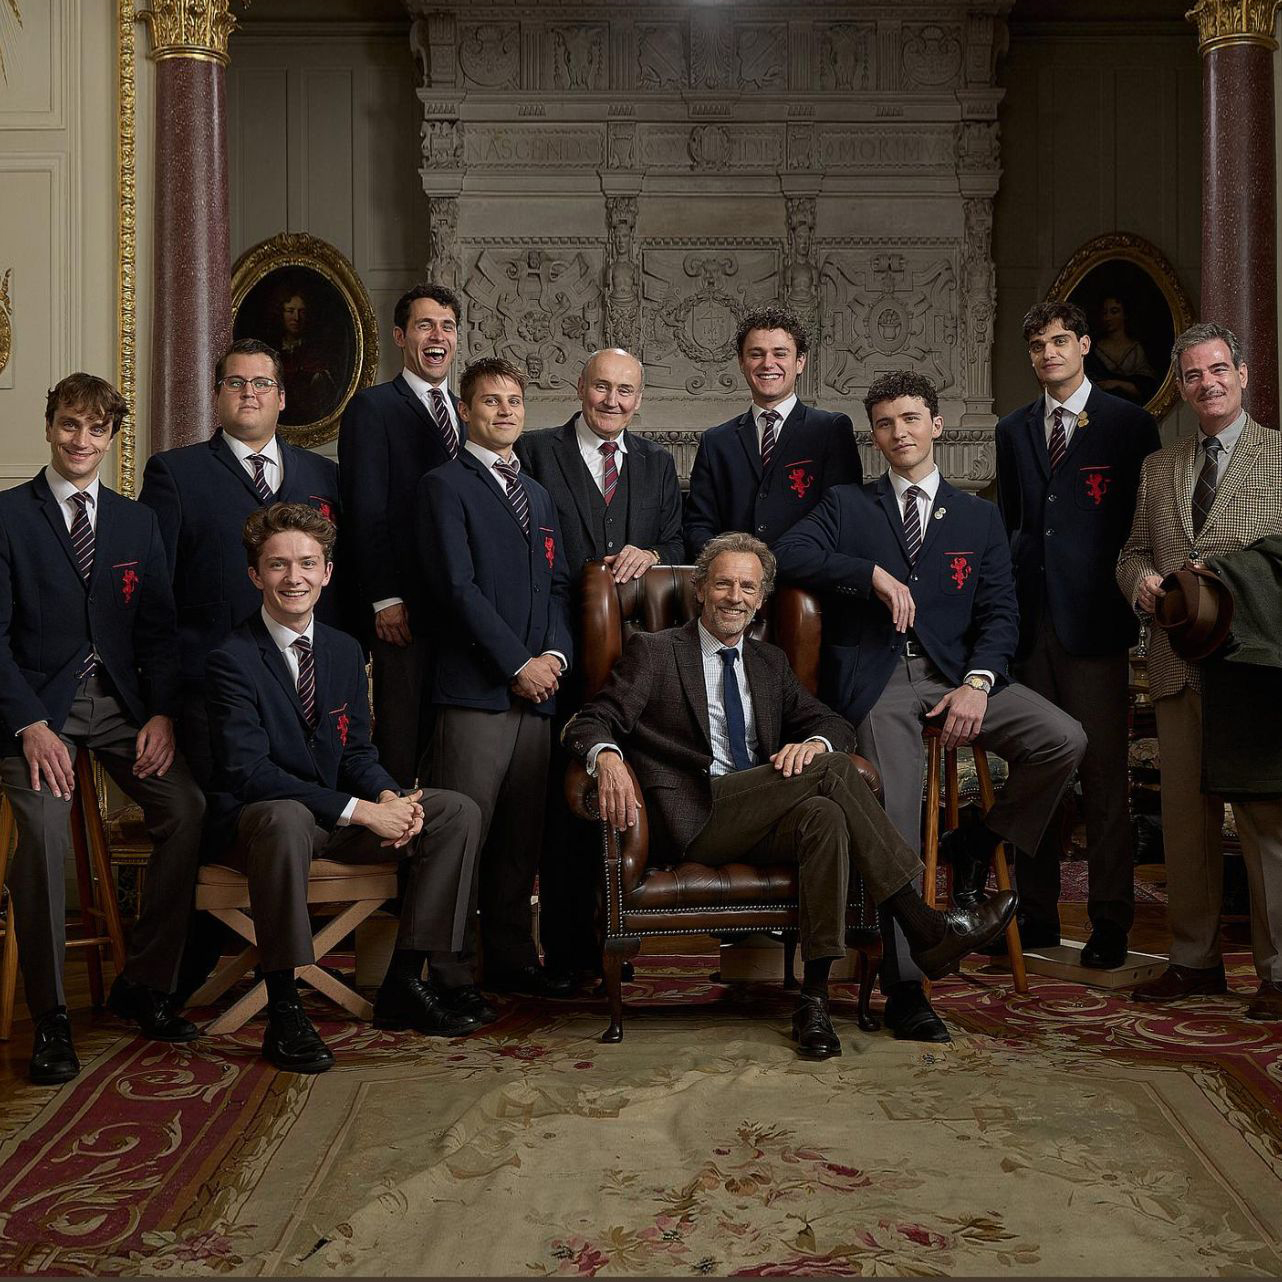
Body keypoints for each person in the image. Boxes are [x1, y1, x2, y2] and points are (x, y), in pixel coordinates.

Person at [562, 532, 1017, 1059]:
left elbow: (831, 723)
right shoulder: (657, 652)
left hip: (757, 816)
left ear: (760, 600)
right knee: (832, 776)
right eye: (724, 584)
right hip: (693, 816)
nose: (736, 596)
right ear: (702, 592)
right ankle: (921, 921)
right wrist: (608, 757)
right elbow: (591, 719)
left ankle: (814, 998)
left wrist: (813, 743)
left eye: (748, 587)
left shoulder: (769, 662)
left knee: (823, 811)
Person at [775, 370, 1086, 1043]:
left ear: (936, 425)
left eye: (910, 419)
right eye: (885, 423)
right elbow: (786, 552)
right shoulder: (847, 505)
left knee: (1064, 739)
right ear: (874, 434)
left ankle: (979, 839)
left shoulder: (977, 517)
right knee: (892, 810)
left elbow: (1001, 613)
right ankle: (908, 984)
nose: (899, 433)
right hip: (881, 682)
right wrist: (870, 574)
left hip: (957, 678)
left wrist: (977, 682)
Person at [204, 503, 484, 1073]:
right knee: (281, 817)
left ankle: (406, 979)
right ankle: (284, 1006)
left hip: (337, 819)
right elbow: (249, 773)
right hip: (262, 827)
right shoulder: (229, 659)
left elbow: (356, 750)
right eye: (278, 565)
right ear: (256, 575)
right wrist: (362, 812)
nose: (294, 577)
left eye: (307, 564)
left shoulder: (343, 649)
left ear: (327, 572)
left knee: (454, 810)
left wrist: (388, 797)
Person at [0, 374, 205, 1084]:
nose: (80, 441)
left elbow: (157, 632)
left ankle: (143, 985)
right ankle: (52, 1016)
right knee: (47, 836)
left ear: (112, 437)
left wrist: (161, 713)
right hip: (32, 711)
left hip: (119, 705)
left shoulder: (134, 522)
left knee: (187, 807)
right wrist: (28, 723)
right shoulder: (7, 516)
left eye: (95, 429)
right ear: (48, 425)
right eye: (68, 425)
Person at [1117, 321, 1282, 1018]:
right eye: (1192, 375)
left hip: (1255, 673)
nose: (1207, 384)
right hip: (1177, 665)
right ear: (1180, 387)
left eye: (1218, 370)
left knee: (1266, 823)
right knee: (1186, 822)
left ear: (1242, 375)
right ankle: (1193, 962)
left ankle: (1278, 974)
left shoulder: (1280, 459)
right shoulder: (1161, 467)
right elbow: (1127, 553)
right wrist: (1144, 582)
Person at [995, 301, 1161, 965]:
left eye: (1060, 342)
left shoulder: (1129, 425)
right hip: (1031, 627)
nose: (1048, 355)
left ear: (1085, 345)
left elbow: (1142, 528)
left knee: (1102, 780)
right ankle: (1032, 916)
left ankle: (1111, 922)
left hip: (1095, 626)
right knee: (1035, 774)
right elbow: (1013, 526)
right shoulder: (1013, 430)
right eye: (1037, 346)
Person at [516, 347, 683, 983]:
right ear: (579, 389)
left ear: (639, 399)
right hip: (554, 649)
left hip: (632, 660)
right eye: (601, 388)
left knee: (625, 801)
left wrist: (654, 551)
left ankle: (617, 942)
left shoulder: (657, 463)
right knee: (562, 807)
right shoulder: (536, 452)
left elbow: (679, 544)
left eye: (626, 391)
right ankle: (565, 954)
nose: (613, 401)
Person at [416, 357, 574, 1025]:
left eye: (513, 401)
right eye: (490, 402)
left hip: (537, 696)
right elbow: (455, 590)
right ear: (465, 412)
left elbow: (558, 584)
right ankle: (448, 969)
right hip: (477, 692)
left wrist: (556, 656)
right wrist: (516, 664)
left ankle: (512, 958)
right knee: (463, 835)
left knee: (519, 837)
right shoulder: (442, 487)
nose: (505, 411)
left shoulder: (537, 496)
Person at [139, 338, 345, 787]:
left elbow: (339, 579)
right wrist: (161, 706)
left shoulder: (325, 476)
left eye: (261, 382)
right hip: (209, 693)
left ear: (282, 397)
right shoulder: (174, 474)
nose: (249, 392)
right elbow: (153, 601)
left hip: (307, 688)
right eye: (235, 382)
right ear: (217, 395)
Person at [338, 283, 466, 786]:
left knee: (448, 744)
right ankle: (396, 852)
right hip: (404, 610)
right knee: (401, 741)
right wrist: (384, 597)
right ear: (400, 335)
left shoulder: (467, 410)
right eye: (425, 325)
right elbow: (364, 509)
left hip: (458, 607)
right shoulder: (373, 408)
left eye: (448, 326)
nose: (438, 336)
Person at [683, 306, 862, 559]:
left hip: (807, 585)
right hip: (734, 586)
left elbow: (841, 518)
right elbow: (697, 526)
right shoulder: (716, 442)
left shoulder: (830, 430)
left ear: (800, 362)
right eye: (756, 354)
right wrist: (729, 564)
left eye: (780, 353)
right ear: (741, 362)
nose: (768, 364)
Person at [273, 288, 339, 426]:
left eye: (302, 312)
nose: (296, 317)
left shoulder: (319, 351)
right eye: (290, 311)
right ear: (281, 313)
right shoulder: (270, 349)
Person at [1084, 296, 1159, 407]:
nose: (1108, 318)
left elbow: (1146, 386)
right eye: (1105, 313)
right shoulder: (1094, 349)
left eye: (1114, 312)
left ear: (1125, 315)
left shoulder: (1136, 349)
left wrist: (1117, 384)